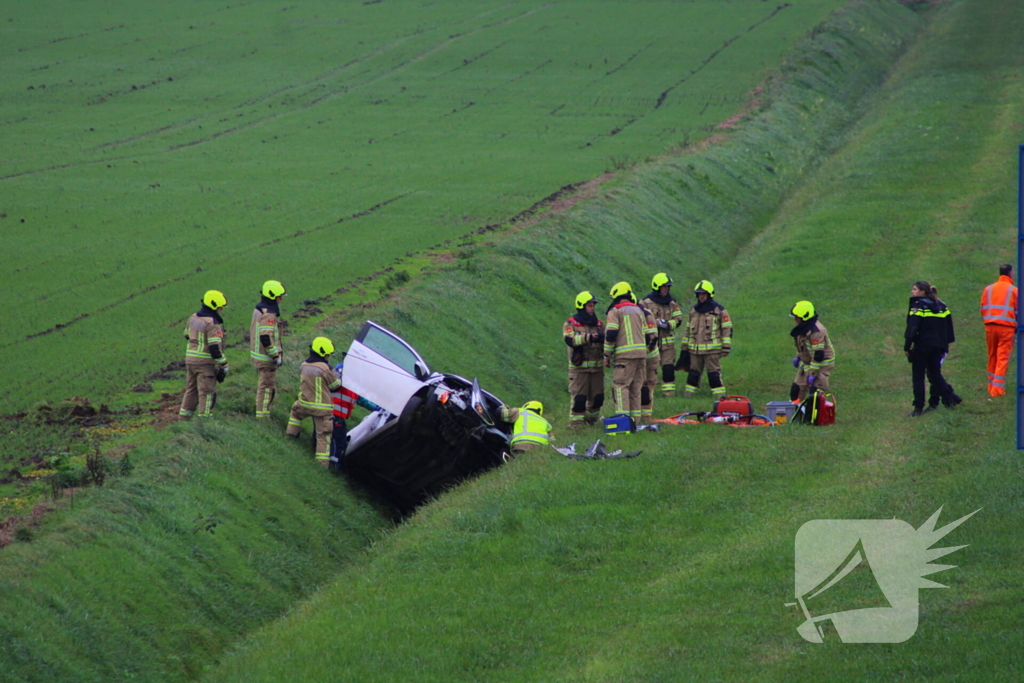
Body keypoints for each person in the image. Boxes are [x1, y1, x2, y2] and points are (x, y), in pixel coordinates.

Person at [904, 281, 960, 416]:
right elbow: (949, 328)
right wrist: (945, 346)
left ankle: (918, 407)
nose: (912, 292)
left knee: (918, 376)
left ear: (922, 291)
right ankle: (949, 399)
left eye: (915, 289)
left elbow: (913, 327)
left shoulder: (918, 306)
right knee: (935, 374)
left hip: (922, 346)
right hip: (939, 346)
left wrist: (907, 346)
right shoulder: (942, 306)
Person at [286, 337, 343, 465]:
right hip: (322, 410)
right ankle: (321, 465)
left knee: (295, 413)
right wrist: (336, 374)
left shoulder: (304, 365)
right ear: (323, 352)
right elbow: (336, 386)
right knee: (323, 436)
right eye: (328, 354)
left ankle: (291, 436)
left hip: (304, 404)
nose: (329, 356)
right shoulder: (325, 368)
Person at [603, 282, 653, 425]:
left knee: (620, 386)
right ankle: (635, 422)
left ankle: (622, 422)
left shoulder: (615, 311)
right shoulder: (639, 310)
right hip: (641, 354)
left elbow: (611, 334)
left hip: (624, 356)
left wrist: (607, 355)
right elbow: (648, 335)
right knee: (636, 388)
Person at [676, 280, 732, 399]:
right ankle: (688, 396)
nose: (701, 296)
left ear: (709, 294)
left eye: (704, 294)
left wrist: (726, 347)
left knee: (713, 374)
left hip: (712, 351)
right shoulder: (693, 311)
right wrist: (684, 348)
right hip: (694, 351)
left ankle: (720, 397)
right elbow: (687, 329)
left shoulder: (719, 310)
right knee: (693, 374)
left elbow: (727, 328)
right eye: (699, 294)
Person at [179, 290, 228, 419]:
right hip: (204, 363)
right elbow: (214, 347)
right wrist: (223, 364)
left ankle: (183, 421)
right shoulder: (212, 323)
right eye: (219, 307)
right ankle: (204, 424)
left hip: (190, 360)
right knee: (206, 393)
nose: (221, 309)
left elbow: (186, 335)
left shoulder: (194, 317)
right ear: (213, 305)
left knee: (191, 390)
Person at [327, 361, 381, 472]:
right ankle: (334, 462)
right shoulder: (352, 388)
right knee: (340, 440)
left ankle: (317, 447)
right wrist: (377, 408)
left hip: (325, 412)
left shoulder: (338, 378)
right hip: (336, 416)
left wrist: (376, 408)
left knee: (322, 433)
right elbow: (362, 400)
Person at [562, 291, 605, 427]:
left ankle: (591, 422)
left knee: (598, 398)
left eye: (593, 306)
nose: (592, 308)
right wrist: (589, 338)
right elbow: (569, 340)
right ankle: (576, 426)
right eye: (590, 306)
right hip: (579, 369)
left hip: (597, 368)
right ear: (581, 306)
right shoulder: (571, 324)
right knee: (579, 399)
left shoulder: (598, 324)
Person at [641, 273, 684, 396]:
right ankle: (647, 393)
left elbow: (678, 319)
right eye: (664, 286)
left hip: (667, 343)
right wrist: (655, 323)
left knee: (668, 369)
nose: (667, 289)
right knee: (649, 369)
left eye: (668, 287)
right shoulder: (645, 303)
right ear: (657, 287)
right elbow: (640, 321)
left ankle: (669, 393)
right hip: (651, 343)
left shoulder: (672, 303)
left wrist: (668, 324)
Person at [250, 279, 286, 418]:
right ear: (272, 296)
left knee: (265, 388)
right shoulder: (268, 314)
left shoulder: (259, 309)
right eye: (279, 296)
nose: (281, 299)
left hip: (258, 355)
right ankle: (262, 418)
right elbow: (265, 337)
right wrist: (275, 356)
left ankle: (262, 414)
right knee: (265, 389)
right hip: (266, 358)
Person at [980, 264, 1017, 397]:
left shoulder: (988, 289)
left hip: (990, 326)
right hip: (1006, 327)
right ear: (1010, 273)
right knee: (1002, 358)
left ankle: (991, 386)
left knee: (992, 356)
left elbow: (983, 308)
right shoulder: (1014, 290)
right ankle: (997, 390)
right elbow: (1018, 311)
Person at [789, 301, 835, 402]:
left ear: (804, 317)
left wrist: (812, 374)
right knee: (796, 390)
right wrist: (798, 357)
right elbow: (803, 345)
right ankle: (796, 413)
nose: (795, 319)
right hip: (808, 362)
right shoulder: (803, 328)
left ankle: (812, 417)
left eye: (797, 317)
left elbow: (818, 355)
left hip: (821, 364)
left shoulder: (817, 332)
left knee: (814, 396)